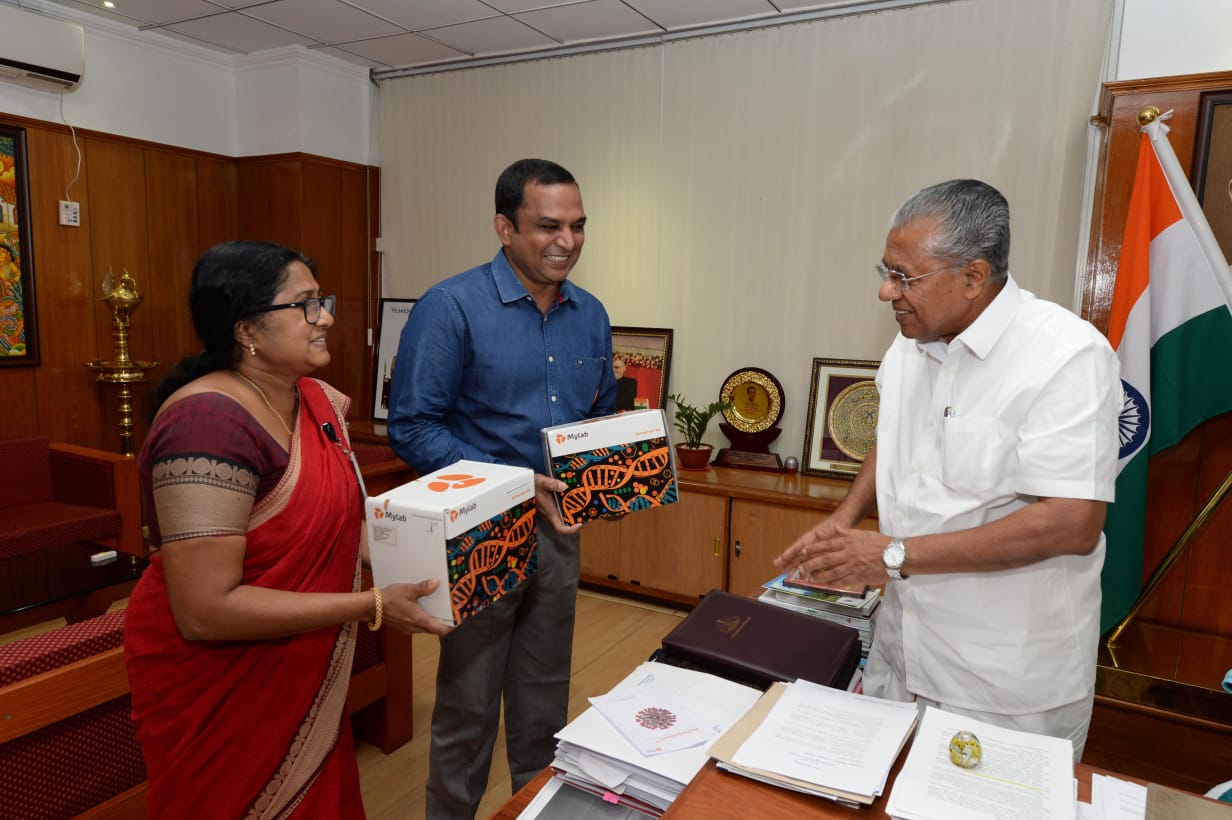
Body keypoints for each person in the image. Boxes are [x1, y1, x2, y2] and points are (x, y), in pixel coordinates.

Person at [775, 179, 1120, 761]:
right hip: (901, 653)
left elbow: (1072, 522)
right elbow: (895, 438)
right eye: (885, 271)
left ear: (973, 277)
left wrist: (892, 554)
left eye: (905, 277)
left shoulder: (1066, 356)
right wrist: (846, 515)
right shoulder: (909, 345)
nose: (887, 291)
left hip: (1001, 681)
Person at [123, 240, 450, 819]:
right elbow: (204, 610)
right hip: (220, 686)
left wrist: (446, 558)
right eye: (305, 305)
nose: (326, 318)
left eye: (322, 301)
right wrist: (373, 604)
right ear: (246, 327)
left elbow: (340, 527)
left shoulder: (313, 402)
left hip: (300, 669)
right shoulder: (205, 424)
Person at [387, 158, 617, 819]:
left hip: (558, 533)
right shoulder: (449, 307)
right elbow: (412, 427)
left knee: (545, 702)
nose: (567, 241)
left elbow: (598, 416)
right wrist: (514, 484)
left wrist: (612, 474)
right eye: (548, 226)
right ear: (504, 227)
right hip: (478, 533)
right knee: (468, 711)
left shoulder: (591, 314)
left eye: (578, 226)